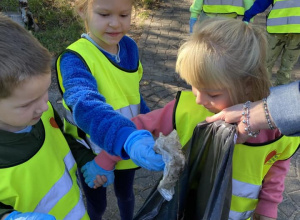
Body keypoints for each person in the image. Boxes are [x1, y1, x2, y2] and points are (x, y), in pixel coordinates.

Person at [131, 18, 300, 219]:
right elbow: (135, 127)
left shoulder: (277, 127)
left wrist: (268, 207)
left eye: (212, 94)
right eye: (194, 86)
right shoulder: (186, 108)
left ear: (247, 84)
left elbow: (277, 166)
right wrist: (124, 146)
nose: (199, 100)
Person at [56, 0, 164, 219]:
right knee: (97, 204)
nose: (115, 24)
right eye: (104, 15)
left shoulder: (130, 47)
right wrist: (127, 138)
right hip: (93, 151)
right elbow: (84, 104)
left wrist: (153, 123)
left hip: (126, 147)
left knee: (126, 194)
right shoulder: (74, 59)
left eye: (124, 15)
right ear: (81, 11)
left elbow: (132, 94)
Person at [0, 14, 92, 220]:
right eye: (27, 103)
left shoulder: (42, 111)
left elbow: (62, 140)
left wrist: (86, 159)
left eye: (45, 92)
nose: (44, 106)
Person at [206, 80, 300, 143]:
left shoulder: (280, 130)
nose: (198, 100)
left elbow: (280, 161)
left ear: (248, 86)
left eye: (213, 95)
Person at [243, 0, 300, 85]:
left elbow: (262, 3)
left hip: (277, 28)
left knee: (266, 64)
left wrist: (248, 16)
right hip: (294, 31)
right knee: (286, 68)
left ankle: (265, 92)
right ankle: (279, 91)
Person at [189, 0, 254, 33]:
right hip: (230, 20)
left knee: (204, 47)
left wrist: (194, 16)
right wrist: (248, 19)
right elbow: (249, 1)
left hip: (208, 17)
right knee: (225, 48)